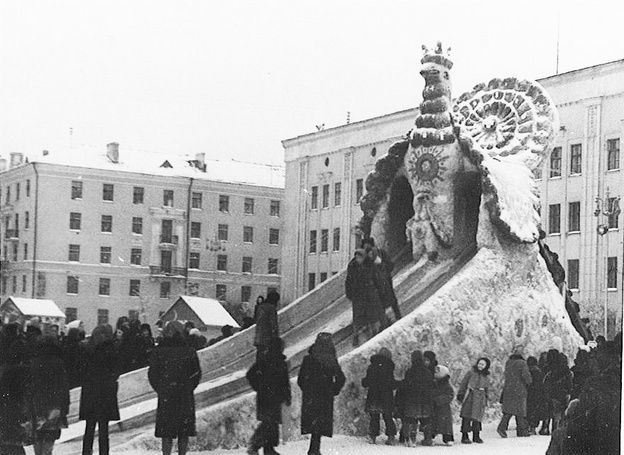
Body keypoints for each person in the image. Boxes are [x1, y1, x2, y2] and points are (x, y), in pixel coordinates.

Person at [148, 320, 202, 455]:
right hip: (184, 395)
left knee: (166, 433)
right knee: (183, 433)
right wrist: (188, 387)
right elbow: (196, 373)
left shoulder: (159, 351)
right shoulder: (189, 351)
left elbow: (152, 374)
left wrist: (161, 389)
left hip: (167, 395)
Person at [297, 333, 345, 455]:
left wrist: (307, 390)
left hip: (311, 396)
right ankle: (315, 449)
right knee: (319, 424)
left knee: (313, 423)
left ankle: (313, 449)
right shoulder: (330, 360)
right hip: (325, 396)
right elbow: (341, 378)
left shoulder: (308, 359)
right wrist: (333, 390)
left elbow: (301, 379)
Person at [246, 337, 291, 455]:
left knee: (272, 422)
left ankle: (269, 448)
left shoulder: (266, 360)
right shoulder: (276, 362)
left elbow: (251, 375)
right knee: (269, 422)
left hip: (268, 397)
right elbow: (285, 383)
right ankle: (254, 444)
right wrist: (286, 396)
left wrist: (258, 388)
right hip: (272, 397)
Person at [79, 324, 120, 455]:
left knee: (89, 427)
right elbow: (116, 370)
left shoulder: (86, 348)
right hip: (105, 392)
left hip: (90, 392)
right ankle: (104, 452)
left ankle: (86, 452)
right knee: (104, 428)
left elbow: (81, 370)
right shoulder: (111, 348)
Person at [29, 335, 70, 455]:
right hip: (54, 405)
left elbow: (30, 386)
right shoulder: (59, 363)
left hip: (37, 405)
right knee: (49, 439)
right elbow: (63, 386)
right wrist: (65, 407)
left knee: (38, 437)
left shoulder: (34, 363)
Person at [345, 248, 386, 346]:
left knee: (372, 315)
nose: (358, 259)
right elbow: (348, 281)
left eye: (360, 257)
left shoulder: (370, 265)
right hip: (358, 295)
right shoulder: (352, 267)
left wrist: (380, 291)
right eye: (357, 257)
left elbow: (377, 278)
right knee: (357, 317)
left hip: (370, 294)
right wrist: (350, 294)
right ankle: (356, 336)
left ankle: (374, 334)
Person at [361, 347, 397, 445]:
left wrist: (364, 382)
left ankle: (372, 437)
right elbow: (391, 383)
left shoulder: (372, 367)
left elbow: (367, 381)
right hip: (386, 396)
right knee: (388, 417)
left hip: (374, 395)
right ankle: (391, 437)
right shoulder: (389, 367)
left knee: (374, 417)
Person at [399, 350, 435, 447]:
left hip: (412, 399)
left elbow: (406, 385)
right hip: (425, 400)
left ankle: (412, 440)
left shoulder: (410, 371)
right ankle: (428, 439)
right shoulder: (427, 371)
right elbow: (431, 385)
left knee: (412, 420)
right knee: (426, 420)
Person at [361, 238, 401, 322]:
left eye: (368, 246)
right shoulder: (364, 258)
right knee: (379, 302)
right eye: (365, 247)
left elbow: (390, 265)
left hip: (385, 281)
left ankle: (398, 316)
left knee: (391, 299)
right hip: (375, 284)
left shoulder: (381, 253)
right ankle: (385, 320)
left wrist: (384, 270)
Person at [497, 345, 532, 438]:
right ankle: (521, 431)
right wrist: (529, 382)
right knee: (520, 411)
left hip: (508, 389)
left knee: (508, 410)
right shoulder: (522, 363)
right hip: (519, 389)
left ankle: (502, 427)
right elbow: (526, 377)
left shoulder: (508, 362)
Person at [457, 357, 491, 444]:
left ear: (486, 366)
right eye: (479, 363)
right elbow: (464, 383)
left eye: (482, 364)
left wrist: (486, 398)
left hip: (480, 398)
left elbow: (487, 388)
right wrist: (461, 394)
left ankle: (476, 435)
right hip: (470, 396)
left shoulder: (486, 376)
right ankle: (465, 435)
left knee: (477, 418)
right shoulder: (471, 372)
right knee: (466, 416)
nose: (480, 366)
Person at [543, 350, 573, 434]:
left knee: (551, 411)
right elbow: (569, 382)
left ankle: (547, 427)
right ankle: (557, 428)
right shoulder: (567, 371)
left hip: (553, 393)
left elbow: (547, 382)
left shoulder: (551, 370)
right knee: (560, 413)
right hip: (563, 393)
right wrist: (569, 391)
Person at [432, 365, 454, 446]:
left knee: (446, 424)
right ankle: (431, 436)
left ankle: (448, 438)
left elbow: (450, 395)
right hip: (434, 406)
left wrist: (439, 400)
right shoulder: (432, 382)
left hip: (444, 407)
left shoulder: (447, 384)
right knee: (433, 422)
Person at [526, 356, 547, 435]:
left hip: (529, 394)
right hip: (538, 394)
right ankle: (533, 427)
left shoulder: (527, 372)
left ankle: (530, 426)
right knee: (535, 410)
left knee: (529, 410)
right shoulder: (540, 372)